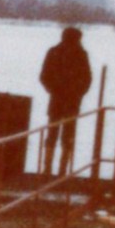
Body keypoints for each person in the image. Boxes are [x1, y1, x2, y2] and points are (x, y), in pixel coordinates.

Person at [39, 26, 93, 175]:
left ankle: (47, 168)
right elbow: (87, 79)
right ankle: (62, 170)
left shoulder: (54, 52)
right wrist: (77, 93)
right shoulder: (81, 54)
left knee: (53, 134)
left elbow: (44, 76)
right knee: (68, 135)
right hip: (72, 101)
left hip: (57, 99)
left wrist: (54, 90)